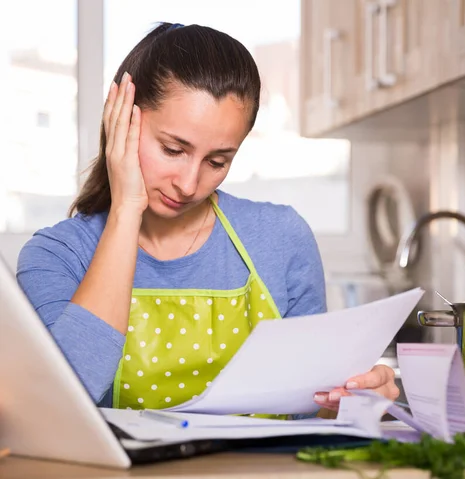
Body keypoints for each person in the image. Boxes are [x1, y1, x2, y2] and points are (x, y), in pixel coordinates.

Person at [16, 22, 399, 416]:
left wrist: (351, 400)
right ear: (121, 124)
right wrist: (126, 209)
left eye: (218, 161)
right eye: (172, 149)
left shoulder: (281, 238)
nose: (189, 183)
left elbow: (309, 407)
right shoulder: (57, 256)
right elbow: (61, 404)